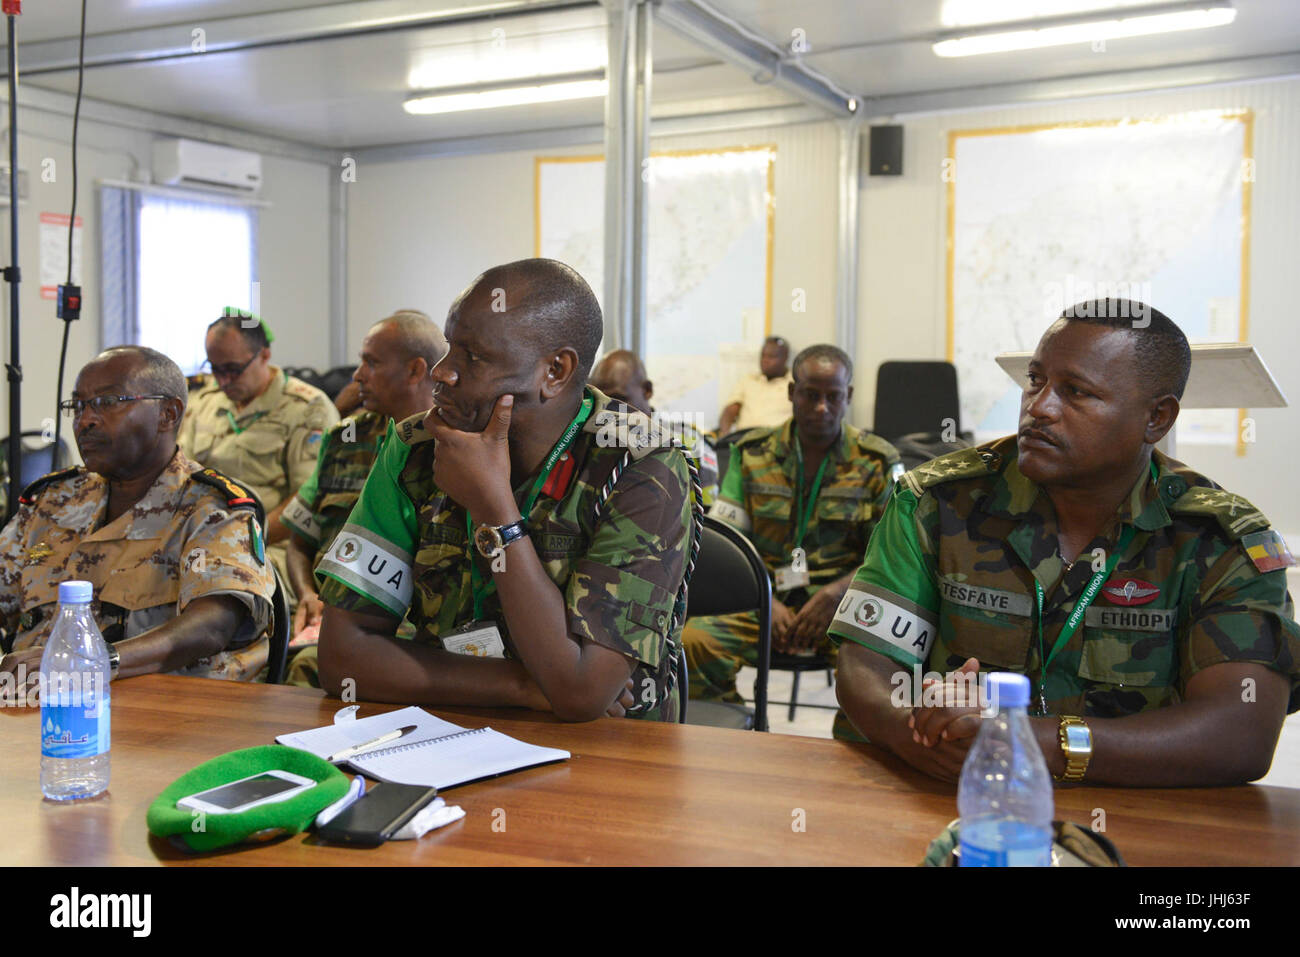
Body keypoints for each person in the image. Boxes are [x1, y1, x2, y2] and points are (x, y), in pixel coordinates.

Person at [832, 300, 1299, 787]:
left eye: (1076, 392)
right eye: (1036, 380)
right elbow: (865, 662)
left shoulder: (1218, 540)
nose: (1039, 407)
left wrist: (1037, 743)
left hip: (1137, 812)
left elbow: (1240, 732)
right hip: (950, 796)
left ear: (1157, 419)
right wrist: (916, 735)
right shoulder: (938, 503)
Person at [316, 259, 693, 721]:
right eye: (450, 348)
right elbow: (342, 662)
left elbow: (580, 693)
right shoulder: (415, 448)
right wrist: (522, 685)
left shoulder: (640, 464)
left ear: (554, 371)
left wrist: (494, 505)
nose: (442, 372)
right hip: (453, 723)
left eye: (473, 357)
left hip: (608, 751)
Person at [0, 346, 275, 691]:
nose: (85, 420)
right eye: (78, 405)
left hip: (167, 718)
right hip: (33, 711)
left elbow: (211, 626)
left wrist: (92, 662)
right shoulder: (50, 502)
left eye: (107, 402)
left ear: (167, 414)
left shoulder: (212, 509)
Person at [684, 344, 900, 737]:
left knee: (878, 673)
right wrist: (765, 597)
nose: (821, 407)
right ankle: (732, 740)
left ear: (848, 397)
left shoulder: (876, 462)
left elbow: (890, 557)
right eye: (809, 395)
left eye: (833, 397)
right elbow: (726, 541)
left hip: (844, 611)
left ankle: (851, 765)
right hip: (762, 601)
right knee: (693, 643)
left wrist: (835, 595)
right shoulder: (751, 455)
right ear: (791, 393)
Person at [281, 310, 446, 685]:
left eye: (371, 363)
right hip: (329, 609)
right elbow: (299, 541)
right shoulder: (344, 439)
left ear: (415, 370)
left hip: (401, 619)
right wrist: (308, 594)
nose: (357, 376)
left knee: (312, 666)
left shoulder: (448, 447)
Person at [178, 309, 339, 602]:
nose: (223, 380)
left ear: (264, 356)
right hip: (198, 541)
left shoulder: (307, 408)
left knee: (223, 590)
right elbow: (179, 474)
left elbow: (309, 496)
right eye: (214, 368)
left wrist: (241, 539)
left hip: (272, 547)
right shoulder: (204, 403)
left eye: (233, 369)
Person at [590, 348, 718, 504]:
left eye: (618, 399)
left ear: (647, 390)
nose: (608, 409)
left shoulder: (688, 443)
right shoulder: (589, 441)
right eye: (600, 401)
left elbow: (705, 516)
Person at [717, 335, 793, 437]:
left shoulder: (795, 383)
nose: (765, 360)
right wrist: (724, 434)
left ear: (785, 357)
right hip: (744, 440)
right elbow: (731, 409)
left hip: (777, 442)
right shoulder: (748, 380)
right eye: (763, 355)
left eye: (771, 356)